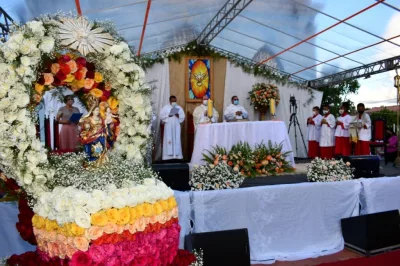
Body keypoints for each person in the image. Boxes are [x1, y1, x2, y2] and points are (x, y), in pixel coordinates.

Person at [159, 96, 185, 161]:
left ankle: (177, 156)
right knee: (169, 139)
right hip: (168, 126)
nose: (174, 102)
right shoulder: (165, 108)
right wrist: (168, 115)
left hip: (176, 126)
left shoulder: (179, 108)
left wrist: (178, 115)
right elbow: (161, 116)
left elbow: (183, 116)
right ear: (169, 101)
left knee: (176, 139)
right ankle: (167, 157)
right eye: (173, 101)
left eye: (175, 101)